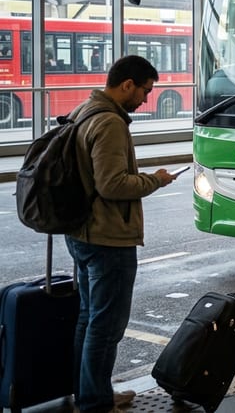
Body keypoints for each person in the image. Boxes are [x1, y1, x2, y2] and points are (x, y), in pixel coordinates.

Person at [66, 55, 179, 413]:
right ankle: (96, 402)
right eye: (144, 90)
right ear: (127, 84)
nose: (146, 99)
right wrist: (155, 181)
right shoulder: (110, 122)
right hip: (107, 237)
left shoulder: (83, 111)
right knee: (106, 326)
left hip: (81, 232)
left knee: (89, 317)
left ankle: (90, 392)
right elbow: (112, 184)